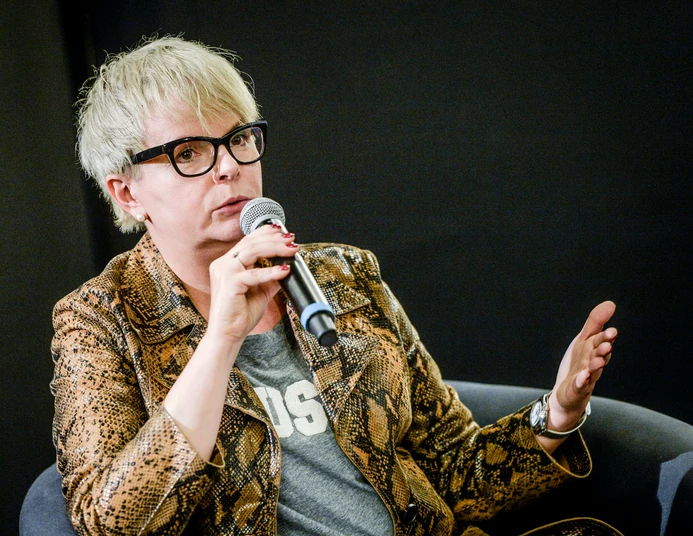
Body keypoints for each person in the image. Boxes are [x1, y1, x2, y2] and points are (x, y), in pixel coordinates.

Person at [50, 34, 623, 536]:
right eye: (189, 152)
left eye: (239, 139)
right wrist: (220, 342)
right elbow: (115, 524)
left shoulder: (342, 276)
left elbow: (453, 471)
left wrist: (557, 413)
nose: (229, 167)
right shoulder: (100, 320)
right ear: (127, 192)